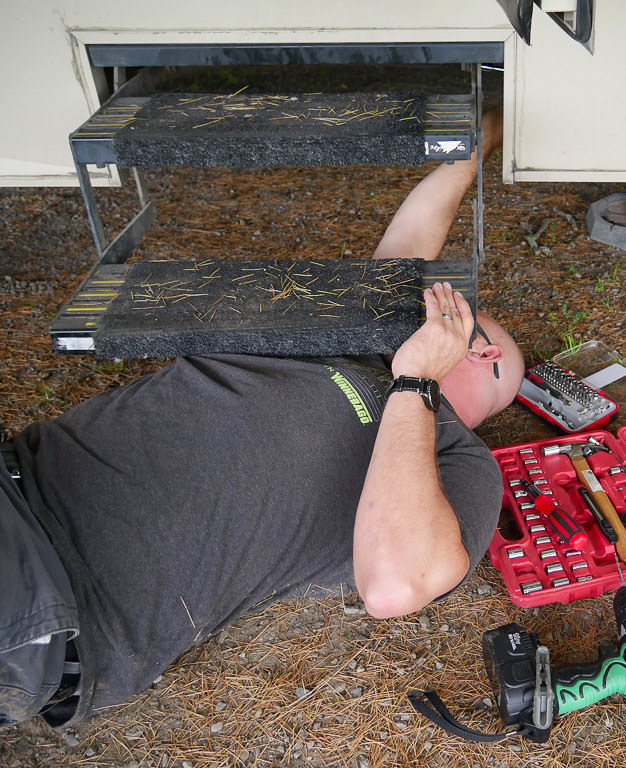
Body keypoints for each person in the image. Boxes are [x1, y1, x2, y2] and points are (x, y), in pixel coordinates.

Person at [0, 109, 524, 729]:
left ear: (480, 349)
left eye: (448, 311)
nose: (421, 302)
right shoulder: (345, 335)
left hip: (53, 590)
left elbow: (395, 585)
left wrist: (417, 382)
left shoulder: (455, 460)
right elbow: (406, 246)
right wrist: (482, 136)